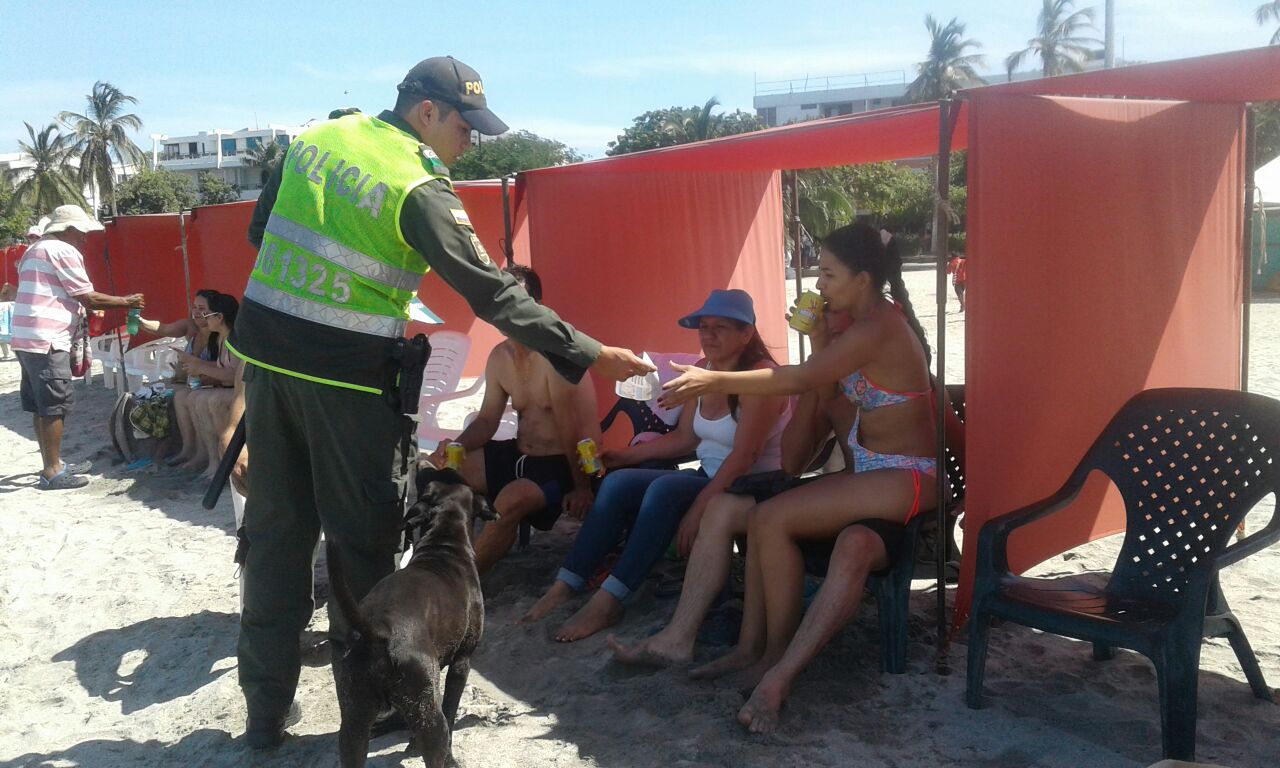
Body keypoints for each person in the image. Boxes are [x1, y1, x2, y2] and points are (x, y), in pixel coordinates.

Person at [228, 55, 652, 750]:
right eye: (465, 125)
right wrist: (592, 351)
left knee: (275, 541)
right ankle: (380, 705)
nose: (471, 142)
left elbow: (260, 235)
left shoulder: (314, 141)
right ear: (426, 110)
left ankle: (264, 714)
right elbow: (495, 294)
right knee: (361, 546)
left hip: (269, 366)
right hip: (351, 383)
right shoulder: (417, 184)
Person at [659, 221, 940, 733]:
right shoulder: (860, 326)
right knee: (768, 517)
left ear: (862, 279)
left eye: (828, 274)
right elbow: (819, 386)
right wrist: (815, 338)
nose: (819, 284)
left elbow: (801, 379)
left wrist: (713, 376)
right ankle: (754, 650)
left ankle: (773, 660)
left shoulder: (880, 326)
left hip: (906, 474)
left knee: (774, 516)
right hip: (874, 472)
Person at [522, 289, 790, 643]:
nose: (708, 335)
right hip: (712, 476)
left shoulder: (760, 377)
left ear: (746, 333)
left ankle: (611, 598)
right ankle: (566, 583)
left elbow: (745, 457)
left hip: (754, 483)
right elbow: (684, 439)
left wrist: (699, 507)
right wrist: (623, 457)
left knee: (664, 489)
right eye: (703, 327)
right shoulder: (704, 371)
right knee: (618, 482)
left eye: (720, 327)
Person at [428, 265, 602, 574]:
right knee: (445, 476)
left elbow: (571, 431)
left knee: (510, 500)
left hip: (564, 462)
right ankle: (446, 562)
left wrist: (582, 487)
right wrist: (454, 445)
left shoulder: (555, 355)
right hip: (520, 455)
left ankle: (461, 581)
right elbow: (486, 422)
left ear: (534, 307)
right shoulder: (500, 356)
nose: (503, 310)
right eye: (498, 300)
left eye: (512, 301)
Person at [11, 205, 144, 490]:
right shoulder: (63, 250)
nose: (84, 239)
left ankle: (52, 463)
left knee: (40, 405)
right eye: (82, 233)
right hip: (47, 337)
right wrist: (127, 302)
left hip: (25, 336)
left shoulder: (33, 250)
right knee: (54, 406)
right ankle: (52, 472)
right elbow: (88, 297)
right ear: (68, 230)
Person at [137, 289, 220, 466]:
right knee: (150, 396)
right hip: (190, 382)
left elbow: (224, 369)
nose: (196, 312)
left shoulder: (220, 334)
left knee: (185, 397)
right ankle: (185, 449)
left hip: (210, 383)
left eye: (202, 308)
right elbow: (163, 328)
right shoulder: (191, 327)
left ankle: (198, 452)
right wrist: (141, 322)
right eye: (194, 307)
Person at [176, 292, 241, 478]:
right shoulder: (221, 338)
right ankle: (208, 457)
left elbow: (234, 375)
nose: (202, 318)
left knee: (211, 400)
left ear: (220, 317)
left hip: (242, 392)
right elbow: (222, 368)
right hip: (230, 388)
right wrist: (199, 367)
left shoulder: (235, 340)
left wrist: (201, 367)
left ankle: (223, 461)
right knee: (196, 397)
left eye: (206, 314)